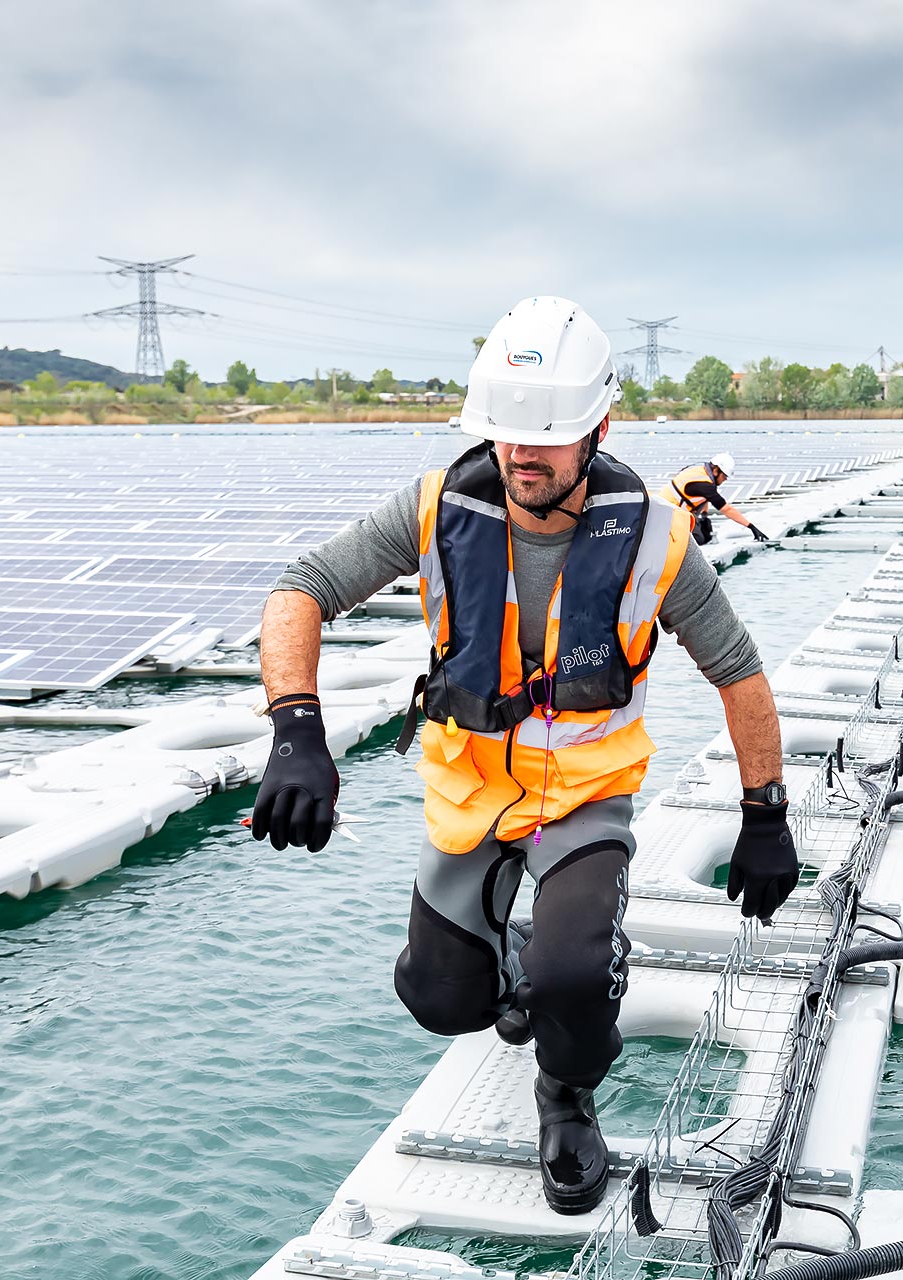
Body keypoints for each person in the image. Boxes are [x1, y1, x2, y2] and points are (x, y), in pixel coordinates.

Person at [251, 295, 802, 1217]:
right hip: (469, 795)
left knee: (574, 982)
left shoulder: (657, 541)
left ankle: (567, 1091)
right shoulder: (436, 508)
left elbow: (739, 672)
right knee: (440, 1001)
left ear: (600, 428)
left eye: (544, 438)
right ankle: (509, 959)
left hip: (585, 797)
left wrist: (766, 814)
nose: (520, 457)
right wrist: (296, 729)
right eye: (505, 436)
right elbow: (300, 588)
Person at [665, 453, 770, 545]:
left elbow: (703, 497)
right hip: (669, 516)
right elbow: (726, 509)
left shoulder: (700, 473)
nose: (725, 480)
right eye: (724, 476)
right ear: (716, 471)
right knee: (699, 540)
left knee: (705, 536)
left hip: (672, 510)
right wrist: (751, 527)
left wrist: (704, 516)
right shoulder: (705, 485)